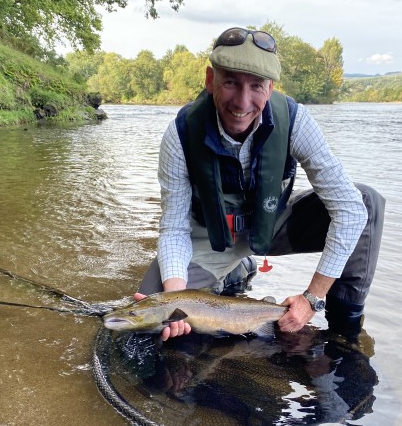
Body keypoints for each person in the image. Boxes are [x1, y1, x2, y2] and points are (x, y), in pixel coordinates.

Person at [136, 26, 385, 341]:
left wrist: (312, 297)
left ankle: (343, 331)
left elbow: (349, 211)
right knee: (150, 316)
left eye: (256, 86)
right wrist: (175, 300)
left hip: (273, 227)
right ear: (210, 79)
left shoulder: (296, 122)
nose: (242, 102)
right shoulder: (180, 135)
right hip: (210, 238)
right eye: (230, 82)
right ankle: (233, 271)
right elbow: (173, 227)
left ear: (270, 87)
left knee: (366, 202)